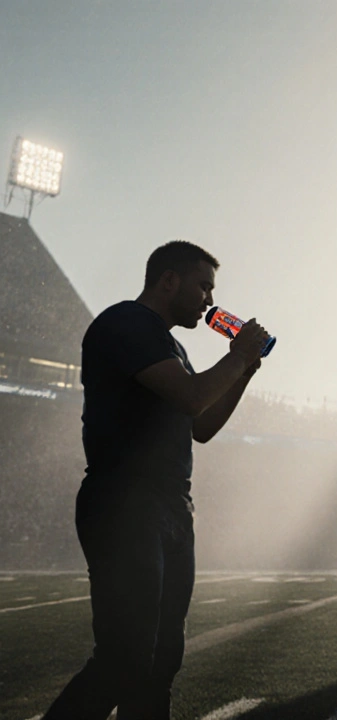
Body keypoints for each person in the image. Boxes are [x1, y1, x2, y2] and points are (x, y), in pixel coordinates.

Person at [45, 241, 270, 720]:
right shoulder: (126, 322)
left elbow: (201, 426)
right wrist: (237, 355)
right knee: (125, 657)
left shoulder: (173, 347)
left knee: (161, 662)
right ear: (169, 280)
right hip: (126, 501)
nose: (210, 300)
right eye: (203, 286)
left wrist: (245, 370)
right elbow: (191, 397)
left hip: (170, 507)